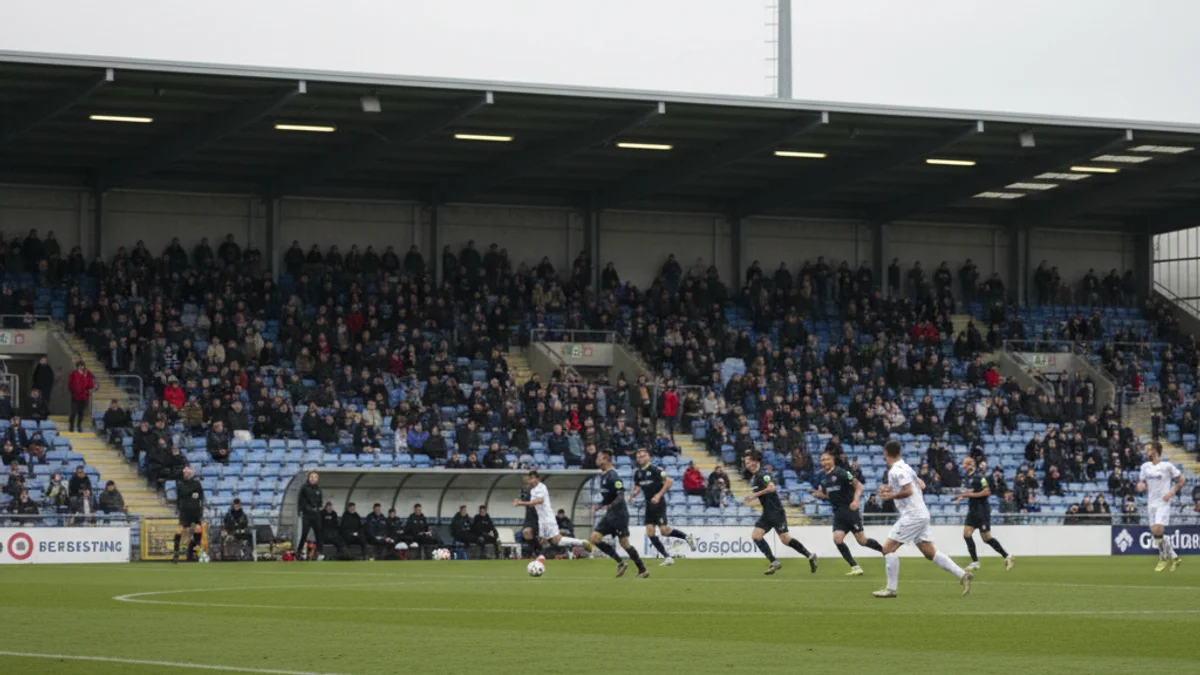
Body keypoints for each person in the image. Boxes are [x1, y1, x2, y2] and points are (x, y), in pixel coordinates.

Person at [874, 439, 972, 598]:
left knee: (887, 549)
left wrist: (891, 495)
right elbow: (922, 485)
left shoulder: (895, 471)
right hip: (922, 513)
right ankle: (962, 575)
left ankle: (891, 589)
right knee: (929, 552)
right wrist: (891, 489)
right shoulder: (907, 467)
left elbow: (909, 490)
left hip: (912, 515)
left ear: (886, 453)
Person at [811, 450, 883, 576]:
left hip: (850, 512)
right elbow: (828, 494)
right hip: (838, 514)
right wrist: (818, 494)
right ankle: (855, 566)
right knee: (837, 539)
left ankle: (884, 551)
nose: (825, 462)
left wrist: (855, 501)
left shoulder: (841, 473)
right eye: (822, 460)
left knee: (862, 541)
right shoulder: (825, 480)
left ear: (833, 460)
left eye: (827, 459)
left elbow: (859, 486)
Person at [744, 450, 817, 575]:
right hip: (767, 513)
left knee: (785, 540)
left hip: (776, 512)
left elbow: (772, 487)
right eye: (746, 463)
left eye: (750, 461)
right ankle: (773, 562)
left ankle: (810, 555)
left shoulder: (763, 475)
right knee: (756, 536)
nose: (748, 464)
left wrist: (754, 495)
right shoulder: (756, 477)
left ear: (756, 461)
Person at [587, 448, 648, 578]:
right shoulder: (603, 475)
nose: (596, 460)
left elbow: (621, 496)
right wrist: (600, 505)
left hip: (619, 515)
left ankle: (642, 569)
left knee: (624, 543)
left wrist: (609, 506)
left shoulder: (613, 475)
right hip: (610, 515)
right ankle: (620, 562)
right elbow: (608, 497)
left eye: (599, 457)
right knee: (594, 538)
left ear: (605, 459)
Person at [629, 447, 695, 565]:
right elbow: (638, 486)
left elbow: (669, 481)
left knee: (664, 530)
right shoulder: (637, 473)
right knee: (650, 532)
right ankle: (667, 557)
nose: (641, 458)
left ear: (648, 457)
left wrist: (658, 495)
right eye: (639, 457)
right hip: (649, 505)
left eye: (643, 456)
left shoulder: (656, 470)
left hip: (658, 504)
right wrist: (634, 493)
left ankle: (686, 537)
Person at [953, 456, 1014, 571]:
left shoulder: (980, 478)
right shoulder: (966, 478)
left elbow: (987, 492)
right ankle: (975, 562)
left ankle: (1007, 556)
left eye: (966, 464)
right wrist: (961, 497)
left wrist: (970, 495)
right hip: (973, 510)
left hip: (982, 510)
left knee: (986, 538)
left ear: (972, 465)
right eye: (963, 464)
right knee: (966, 534)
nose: (964, 466)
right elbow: (969, 492)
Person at [513, 470, 593, 555]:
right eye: (530, 478)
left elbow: (539, 501)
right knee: (554, 540)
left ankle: (579, 544)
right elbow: (532, 504)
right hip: (542, 518)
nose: (531, 480)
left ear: (538, 478)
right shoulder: (533, 490)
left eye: (533, 478)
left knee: (555, 539)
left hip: (547, 518)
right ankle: (581, 542)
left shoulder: (541, 487)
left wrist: (521, 503)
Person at [1137, 441, 1185, 572]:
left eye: (1148, 450)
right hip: (1151, 503)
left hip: (1163, 502)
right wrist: (1141, 486)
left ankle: (1162, 558)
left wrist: (1172, 492)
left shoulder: (1167, 466)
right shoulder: (1145, 466)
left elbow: (1182, 480)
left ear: (1155, 452)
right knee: (1156, 534)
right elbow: (1141, 482)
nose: (1146, 452)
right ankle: (1174, 558)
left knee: (1158, 529)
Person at [173, 466, 205, 563]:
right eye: (184, 473)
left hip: (195, 511)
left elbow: (201, 498)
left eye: (187, 473)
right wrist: (179, 508)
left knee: (198, 530)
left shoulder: (197, 484)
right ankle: (176, 554)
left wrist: (200, 510)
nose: (185, 474)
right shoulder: (181, 484)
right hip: (184, 511)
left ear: (191, 474)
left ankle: (198, 554)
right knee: (180, 530)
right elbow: (181, 495)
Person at [297, 472, 324, 560]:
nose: (313, 478)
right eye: (311, 476)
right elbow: (300, 500)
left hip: (316, 514)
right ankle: (299, 551)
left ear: (317, 479)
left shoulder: (318, 489)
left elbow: (320, 501)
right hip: (307, 514)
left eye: (315, 477)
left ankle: (320, 553)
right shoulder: (304, 488)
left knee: (319, 534)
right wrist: (300, 511)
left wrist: (318, 508)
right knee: (304, 534)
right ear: (309, 478)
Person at [66, 361, 95, 433]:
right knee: (74, 412)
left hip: (84, 396)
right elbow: (70, 384)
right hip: (75, 396)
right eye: (79, 366)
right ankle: (71, 425)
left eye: (82, 366)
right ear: (77, 367)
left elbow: (91, 385)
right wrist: (73, 392)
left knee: (81, 413)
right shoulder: (73, 374)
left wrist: (85, 377)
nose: (81, 368)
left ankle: (79, 426)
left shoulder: (87, 374)